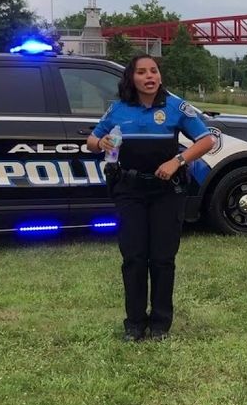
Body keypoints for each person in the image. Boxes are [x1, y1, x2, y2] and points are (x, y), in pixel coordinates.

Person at [87, 54, 215, 342]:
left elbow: (207, 140)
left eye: (154, 71)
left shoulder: (175, 106)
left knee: (162, 258)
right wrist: (101, 142)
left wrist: (178, 161)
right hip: (129, 191)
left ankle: (160, 325)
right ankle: (134, 324)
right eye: (142, 72)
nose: (149, 77)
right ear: (131, 78)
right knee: (133, 258)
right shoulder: (118, 109)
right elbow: (92, 140)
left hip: (166, 193)